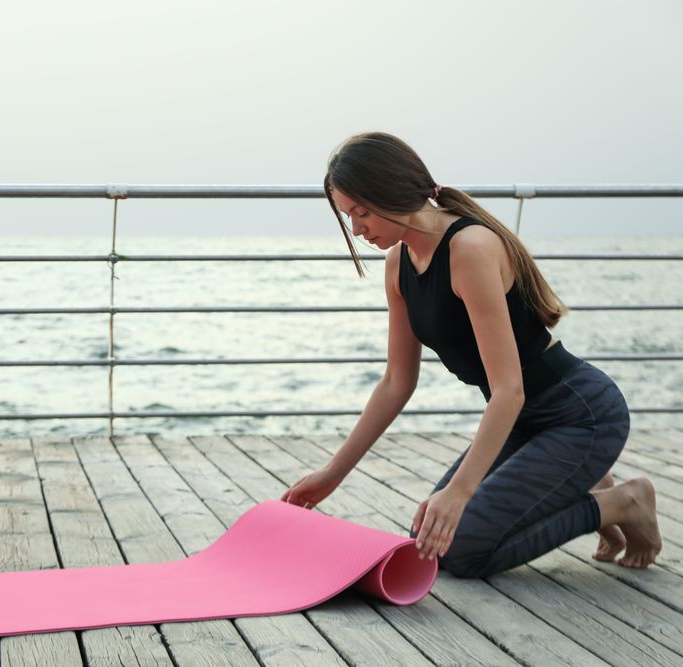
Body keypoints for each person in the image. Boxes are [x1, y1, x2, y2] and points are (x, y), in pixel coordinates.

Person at [279, 131, 662, 578]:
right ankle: (582, 479)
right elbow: (396, 382)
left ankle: (622, 502)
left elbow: (509, 388)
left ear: (395, 190)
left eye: (362, 212)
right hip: (521, 422)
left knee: (460, 551)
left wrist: (458, 493)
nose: (357, 228)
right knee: (428, 541)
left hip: (580, 415)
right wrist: (333, 473)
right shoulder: (398, 265)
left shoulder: (470, 248)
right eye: (348, 216)